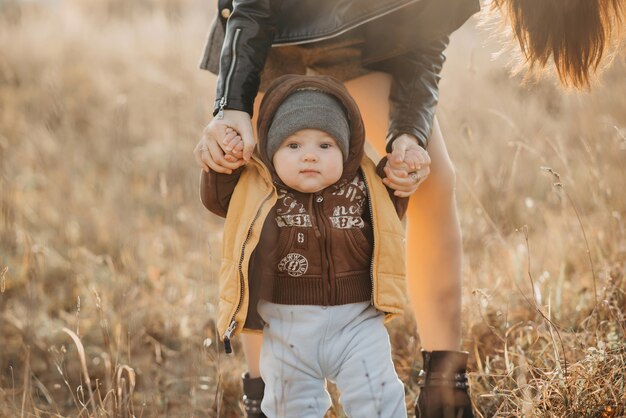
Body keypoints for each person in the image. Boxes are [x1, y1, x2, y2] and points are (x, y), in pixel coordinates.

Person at [194, 0, 623, 416]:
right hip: (269, 35)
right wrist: (232, 104)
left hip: (365, 37)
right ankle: (261, 391)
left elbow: (425, 31)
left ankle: (444, 389)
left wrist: (408, 134)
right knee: (259, 194)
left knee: (433, 178)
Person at [201, 74, 416, 417]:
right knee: (291, 408)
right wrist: (224, 159)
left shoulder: (366, 184)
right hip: (287, 329)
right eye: (294, 145)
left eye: (325, 145)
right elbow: (218, 198)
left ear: (346, 150)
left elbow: (391, 214)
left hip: (358, 323)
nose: (310, 157)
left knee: (379, 400)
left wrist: (400, 175)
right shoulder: (259, 187)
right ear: (271, 151)